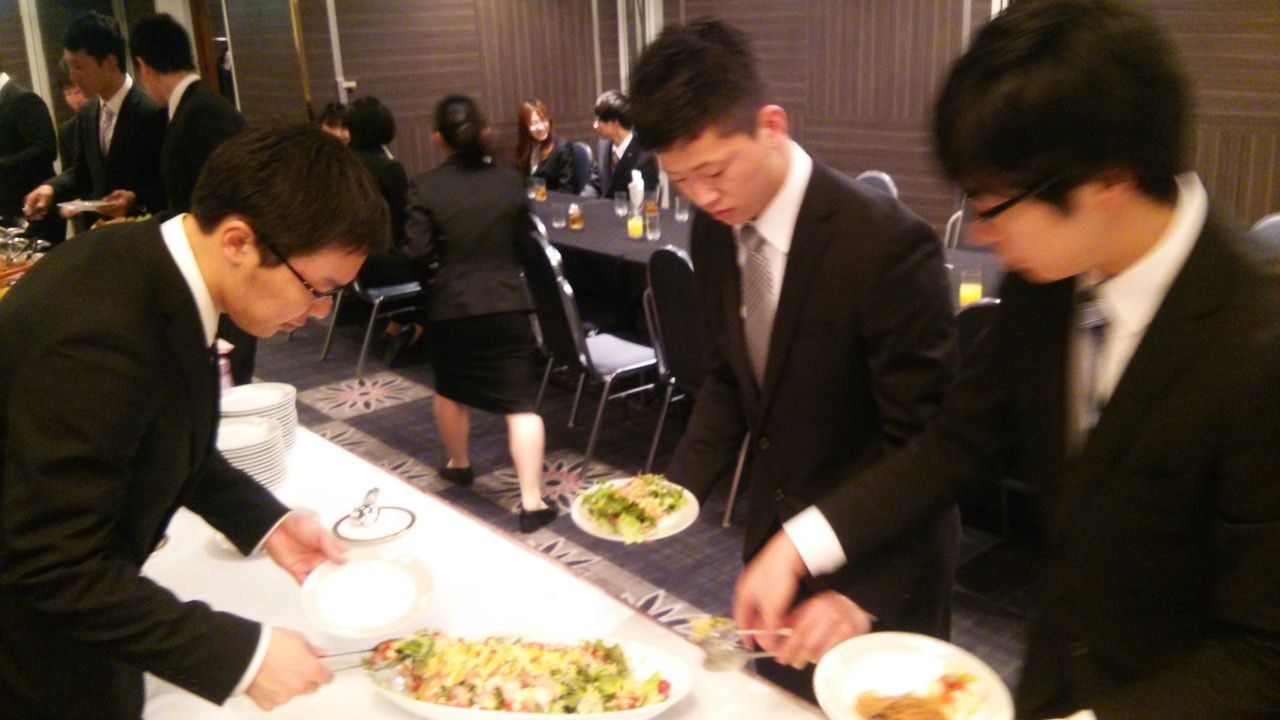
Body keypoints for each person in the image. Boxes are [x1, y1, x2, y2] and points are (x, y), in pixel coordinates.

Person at [734, 1, 1280, 718]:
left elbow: (1263, 652)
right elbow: (956, 442)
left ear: (1108, 180)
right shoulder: (1048, 281)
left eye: (992, 205)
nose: (980, 233)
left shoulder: (1256, 340)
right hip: (1050, 678)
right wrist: (799, 545)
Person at [0, 124, 390, 718]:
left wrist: (267, 522)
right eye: (318, 288)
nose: (318, 313)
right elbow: (49, 562)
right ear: (238, 241)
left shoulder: (151, 264)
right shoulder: (99, 335)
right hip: (30, 652)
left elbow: (163, 434)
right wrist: (243, 657)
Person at [628, 19, 960, 701]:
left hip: (880, 564)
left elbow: (930, 449)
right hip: (774, 561)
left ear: (771, 126)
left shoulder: (885, 244)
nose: (704, 197)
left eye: (714, 171)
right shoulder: (715, 231)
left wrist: (865, 594)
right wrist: (673, 492)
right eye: (682, 180)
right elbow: (731, 375)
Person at [405, 94, 554, 534]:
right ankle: (532, 501)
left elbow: (415, 250)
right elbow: (527, 246)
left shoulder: (425, 186)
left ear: (438, 138)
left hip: (451, 307)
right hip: (506, 304)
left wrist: (439, 276)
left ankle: (459, 464)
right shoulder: (510, 182)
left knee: (450, 390)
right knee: (520, 406)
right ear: (485, 132)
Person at [130, 12, 257, 385]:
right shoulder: (197, 106)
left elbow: (226, 198)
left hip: (225, 268)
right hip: (221, 264)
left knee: (226, 378)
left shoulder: (201, 114)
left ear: (143, 66)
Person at [24, 11, 166, 226]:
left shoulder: (152, 110)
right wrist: (50, 188)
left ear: (110, 62)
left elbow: (167, 182)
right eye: (70, 66)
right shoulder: (88, 112)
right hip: (101, 232)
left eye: (79, 66)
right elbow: (80, 172)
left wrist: (135, 198)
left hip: (144, 231)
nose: (73, 76)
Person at [345, 95, 422, 361]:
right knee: (436, 263)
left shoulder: (345, 165)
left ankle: (398, 326)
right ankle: (410, 328)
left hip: (353, 264)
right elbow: (404, 224)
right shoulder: (388, 169)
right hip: (379, 267)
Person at [0, 54, 57, 238]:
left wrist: (3, 164)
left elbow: (45, 148)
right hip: (7, 210)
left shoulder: (23, 99)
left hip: (35, 207)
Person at [583, 89, 658, 199]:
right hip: (602, 208)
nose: (595, 125)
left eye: (599, 120)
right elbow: (595, 182)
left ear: (614, 123)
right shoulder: (603, 145)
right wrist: (580, 202)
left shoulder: (644, 157)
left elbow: (647, 199)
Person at [516, 99, 583, 194]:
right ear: (525, 128)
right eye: (534, 123)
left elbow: (566, 189)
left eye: (543, 120)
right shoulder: (526, 148)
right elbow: (521, 182)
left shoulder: (562, 148)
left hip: (555, 201)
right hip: (533, 199)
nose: (541, 127)